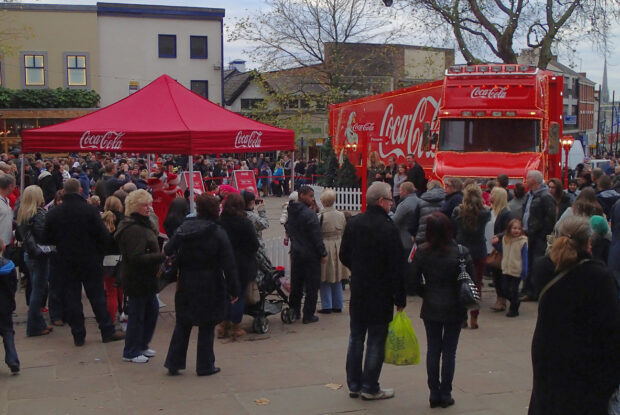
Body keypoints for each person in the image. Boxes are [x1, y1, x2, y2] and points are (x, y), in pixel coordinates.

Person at [528, 216, 620, 415]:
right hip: (586, 363)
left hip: (548, 354)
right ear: (589, 242)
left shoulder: (543, 268)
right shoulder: (599, 276)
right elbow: (612, 329)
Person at [339, 181, 406, 400]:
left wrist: (358, 269)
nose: (391, 204)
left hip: (359, 288)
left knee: (356, 336)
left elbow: (344, 254)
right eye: (389, 200)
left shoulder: (355, 223)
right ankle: (370, 386)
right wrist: (400, 296)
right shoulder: (388, 228)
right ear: (381, 201)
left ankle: (354, 384)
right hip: (381, 291)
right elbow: (397, 265)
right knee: (376, 339)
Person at [164, 193, 239, 376]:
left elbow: (168, 249)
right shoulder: (217, 232)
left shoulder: (183, 228)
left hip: (186, 280)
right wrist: (234, 288)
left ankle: (174, 362)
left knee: (183, 323)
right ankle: (205, 365)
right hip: (210, 280)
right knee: (207, 324)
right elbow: (228, 263)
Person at [44, 179, 125, 347]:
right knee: (97, 297)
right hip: (90, 260)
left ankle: (78, 335)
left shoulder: (54, 213)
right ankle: (107, 330)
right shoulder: (90, 211)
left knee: (72, 298)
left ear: (64, 192)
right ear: (80, 190)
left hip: (66, 261)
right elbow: (103, 236)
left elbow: (46, 238)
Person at [411, 212, 471, 408]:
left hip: (431, 304)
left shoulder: (422, 251)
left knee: (433, 349)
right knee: (449, 352)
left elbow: (412, 279)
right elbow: (470, 280)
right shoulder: (461, 252)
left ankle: (433, 392)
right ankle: (446, 393)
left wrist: (425, 292)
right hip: (455, 304)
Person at [115, 190, 164, 363]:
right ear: (135, 207)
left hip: (146, 277)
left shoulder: (142, 224)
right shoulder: (134, 229)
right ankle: (131, 351)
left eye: (149, 204)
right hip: (137, 278)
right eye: (145, 205)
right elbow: (136, 258)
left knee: (151, 311)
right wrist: (161, 256)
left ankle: (141, 345)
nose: (149, 208)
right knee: (137, 315)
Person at [218, 193, 259, 340]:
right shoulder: (245, 222)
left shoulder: (220, 222)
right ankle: (236, 326)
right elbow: (255, 244)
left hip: (224, 261)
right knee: (239, 295)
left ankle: (223, 324)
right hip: (243, 262)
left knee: (225, 294)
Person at [285, 186, 327, 323]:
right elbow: (316, 235)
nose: (312, 199)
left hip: (296, 252)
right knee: (312, 286)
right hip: (310, 254)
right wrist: (322, 252)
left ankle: (294, 311)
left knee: (296, 284)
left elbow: (288, 227)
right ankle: (308, 314)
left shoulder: (291, 211)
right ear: (302, 195)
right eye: (310, 196)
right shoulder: (310, 214)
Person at [452, 184, 491, 329]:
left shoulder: (458, 211)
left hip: (462, 249)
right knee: (477, 284)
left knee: (461, 283)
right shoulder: (484, 213)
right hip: (479, 250)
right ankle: (474, 317)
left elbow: (454, 226)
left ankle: (462, 317)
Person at [16, 185, 53, 337]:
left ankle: (39, 323)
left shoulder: (22, 213)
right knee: (38, 291)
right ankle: (34, 326)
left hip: (29, 254)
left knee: (36, 289)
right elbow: (44, 235)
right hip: (39, 254)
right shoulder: (37, 214)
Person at [521, 170, 555, 302]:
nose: (526, 180)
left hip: (538, 236)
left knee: (536, 263)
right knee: (528, 262)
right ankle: (528, 289)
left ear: (534, 181)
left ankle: (535, 291)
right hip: (528, 234)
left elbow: (550, 218)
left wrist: (541, 233)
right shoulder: (530, 195)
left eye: (528, 178)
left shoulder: (545, 197)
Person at [317, 189, 349, 314]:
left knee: (324, 277)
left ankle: (327, 305)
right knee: (337, 275)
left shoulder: (320, 216)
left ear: (323, 201)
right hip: (338, 244)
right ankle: (338, 304)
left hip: (326, 245)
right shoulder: (341, 215)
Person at [488, 187, 513, 312]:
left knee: (500, 274)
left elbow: (509, 230)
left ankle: (502, 299)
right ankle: (500, 297)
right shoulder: (491, 211)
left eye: (492, 194)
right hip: (492, 246)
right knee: (495, 273)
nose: (489, 195)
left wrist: (498, 236)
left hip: (501, 247)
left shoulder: (506, 213)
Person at [101, 196, 124, 324]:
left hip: (106, 259)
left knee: (110, 291)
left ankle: (110, 319)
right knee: (120, 289)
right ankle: (122, 312)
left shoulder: (102, 220)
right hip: (120, 258)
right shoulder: (123, 221)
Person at [499, 219, 527, 317]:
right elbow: (502, 250)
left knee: (514, 290)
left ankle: (513, 309)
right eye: (514, 228)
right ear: (509, 229)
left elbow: (525, 257)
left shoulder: (523, 242)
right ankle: (515, 301)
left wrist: (524, 270)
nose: (517, 231)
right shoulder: (505, 239)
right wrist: (494, 243)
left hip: (516, 270)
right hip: (506, 268)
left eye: (519, 228)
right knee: (504, 290)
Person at [0, 238, 19, 373]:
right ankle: (12, 359)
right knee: (7, 332)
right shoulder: (8, 266)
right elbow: (13, 287)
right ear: (2, 248)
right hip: (4, 305)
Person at [412, 180, 446, 246]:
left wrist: (413, 234)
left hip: (423, 236)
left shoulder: (421, 201)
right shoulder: (446, 200)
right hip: (441, 236)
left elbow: (415, 220)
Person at [0, 174, 15, 251]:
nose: (14, 188)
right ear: (9, 186)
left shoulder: (6, 200)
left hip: (7, 242)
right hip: (1, 244)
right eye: (13, 186)